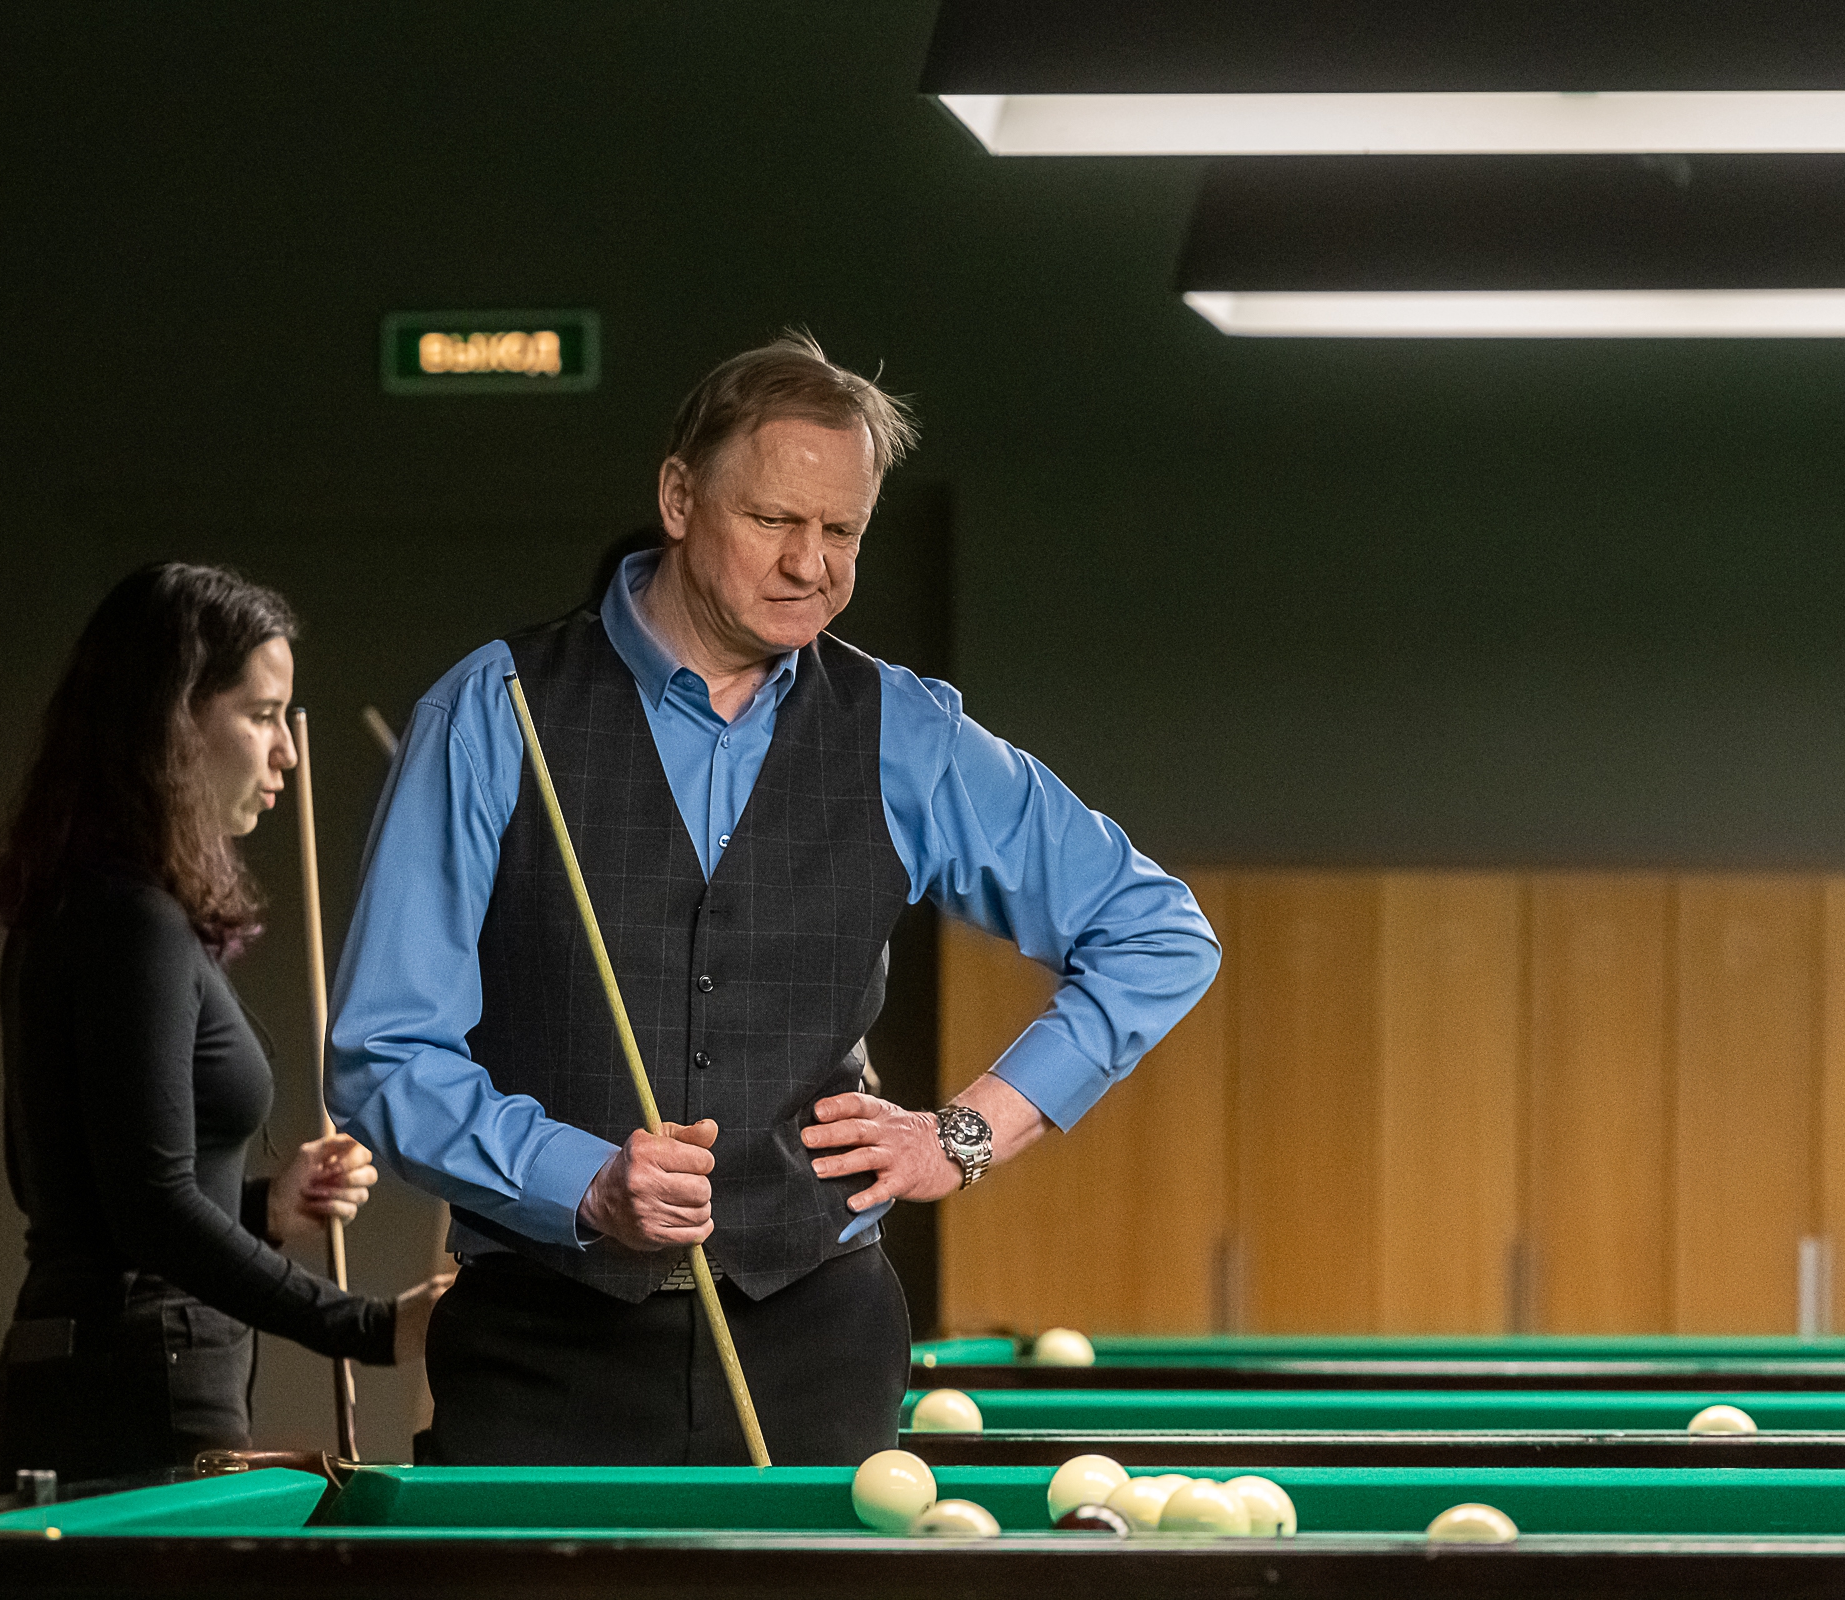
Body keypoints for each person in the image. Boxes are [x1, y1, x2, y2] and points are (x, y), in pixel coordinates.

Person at [328, 334, 1219, 1466]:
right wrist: (581, 1178)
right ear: (679, 498)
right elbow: (383, 1053)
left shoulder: (906, 732)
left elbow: (1156, 932)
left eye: (842, 531)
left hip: (817, 1345)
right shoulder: (493, 711)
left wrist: (966, 1133)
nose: (811, 564)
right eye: (772, 520)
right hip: (543, 1347)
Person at [0, 563, 449, 1496]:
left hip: (84, 1385)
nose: (288, 754)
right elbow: (149, 1210)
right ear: (174, 721)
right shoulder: (132, 924)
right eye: (262, 715)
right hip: (133, 1399)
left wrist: (264, 1209)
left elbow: (76, 1195)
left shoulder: (71, 907)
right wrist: (368, 1326)